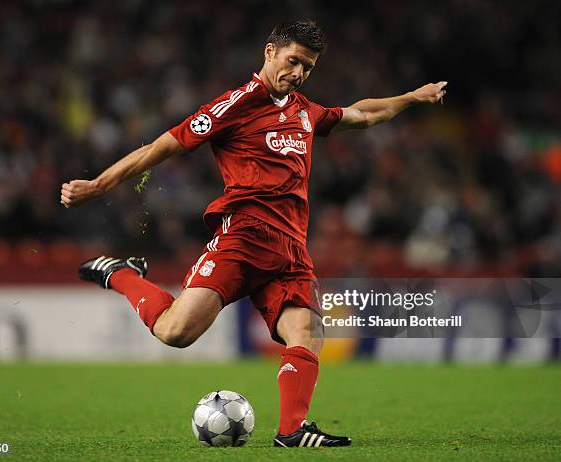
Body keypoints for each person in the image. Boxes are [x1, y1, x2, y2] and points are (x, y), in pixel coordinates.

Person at [60, 20, 446, 448]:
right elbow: (160, 147)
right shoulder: (235, 105)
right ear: (269, 52)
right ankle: (121, 274)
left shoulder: (304, 110)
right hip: (243, 238)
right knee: (175, 333)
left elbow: (365, 113)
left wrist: (413, 97)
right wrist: (98, 185)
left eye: (308, 67)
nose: (299, 73)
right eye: (293, 61)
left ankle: (291, 432)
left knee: (308, 332)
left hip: (291, 249)